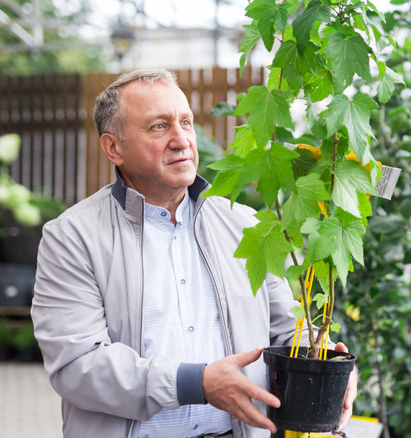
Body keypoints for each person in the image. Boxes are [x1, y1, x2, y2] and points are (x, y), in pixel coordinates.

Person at [31, 68, 357, 438]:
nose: (181, 139)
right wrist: (196, 383)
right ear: (113, 148)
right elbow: (78, 366)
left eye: (185, 122)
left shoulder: (246, 224)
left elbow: (285, 332)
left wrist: (331, 363)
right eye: (158, 126)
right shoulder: (72, 237)